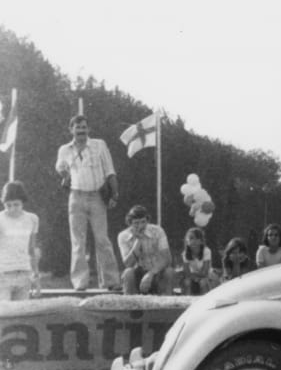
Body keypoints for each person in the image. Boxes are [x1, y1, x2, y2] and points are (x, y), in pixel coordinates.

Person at [54, 114, 121, 291]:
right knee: (78, 241)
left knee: (102, 239)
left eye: (84, 127)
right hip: (76, 196)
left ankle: (111, 281)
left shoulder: (99, 145)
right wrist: (64, 173)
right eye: (78, 128)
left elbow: (110, 171)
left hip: (97, 196)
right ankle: (80, 282)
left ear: (88, 129)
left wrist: (114, 194)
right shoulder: (64, 150)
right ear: (71, 130)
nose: (81, 131)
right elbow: (60, 169)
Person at [117, 205, 175, 295]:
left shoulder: (157, 231)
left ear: (147, 220)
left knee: (169, 272)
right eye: (136, 223)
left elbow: (167, 259)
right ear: (130, 223)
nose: (140, 226)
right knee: (128, 273)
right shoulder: (123, 236)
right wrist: (138, 241)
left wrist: (151, 274)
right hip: (138, 275)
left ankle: (166, 304)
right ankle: (131, 306)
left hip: (157, 272)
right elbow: (128, 264)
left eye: (143, 222)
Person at [0, 180, 41, 301]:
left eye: (16, 204)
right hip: (3, 275)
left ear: (23, 202)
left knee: (21, 317)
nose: (12, 209)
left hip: (24, 274)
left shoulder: (32, 219)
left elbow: (31, 250)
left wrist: (36, 277)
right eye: (8, 205)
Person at [178, 226, 214, 295]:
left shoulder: (206, 251)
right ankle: (187, 301)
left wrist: (195, 276)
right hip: (193, 276)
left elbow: (205, 272)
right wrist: (194, 277)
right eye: (191, 238)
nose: (194, 241)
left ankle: (205, 301)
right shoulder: (185, 254)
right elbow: (187, 272)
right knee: (187, 282)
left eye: (197, 238)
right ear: (187, 241)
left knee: (203, 282)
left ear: (201, 241)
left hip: (207, 275)